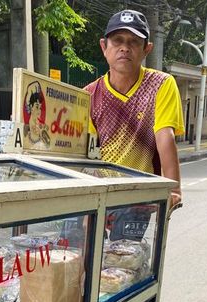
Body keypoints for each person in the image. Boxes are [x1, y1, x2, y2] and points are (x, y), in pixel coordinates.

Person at [84, 9, 184, 207]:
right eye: (118, 40)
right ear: (104, 47)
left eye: (134, 42)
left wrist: (173, 190)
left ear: (147, 49)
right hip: (98, 194)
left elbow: (165, 136)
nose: (125, 48)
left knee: (127, 239)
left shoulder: (161, 85)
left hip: (140, 197)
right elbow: (81, 152)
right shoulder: (88, 95)